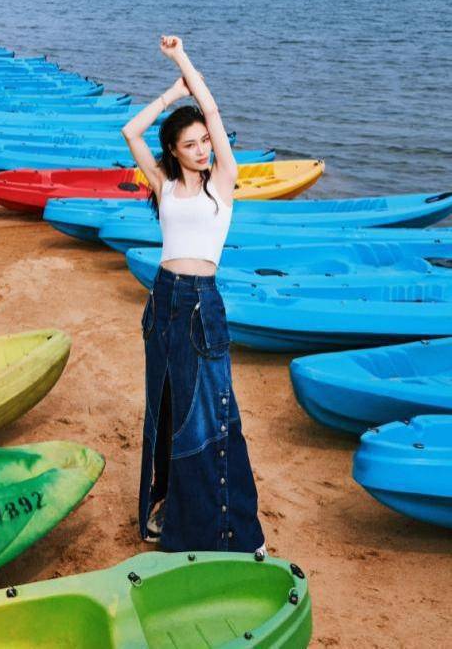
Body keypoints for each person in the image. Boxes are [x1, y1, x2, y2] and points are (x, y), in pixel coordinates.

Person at [122, 35, 265, 554]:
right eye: (192, 144)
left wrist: (181, 60)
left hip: (202, 305)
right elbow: (130, 130)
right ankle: (168, 511)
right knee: (164, 410)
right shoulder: (163, 186)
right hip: (162, 301)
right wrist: (169, 93)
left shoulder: (221, 182)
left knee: (209, 414)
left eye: (206, 140)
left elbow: (212, 108)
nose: (203, 148)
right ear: (173, 152)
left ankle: (230, 533)